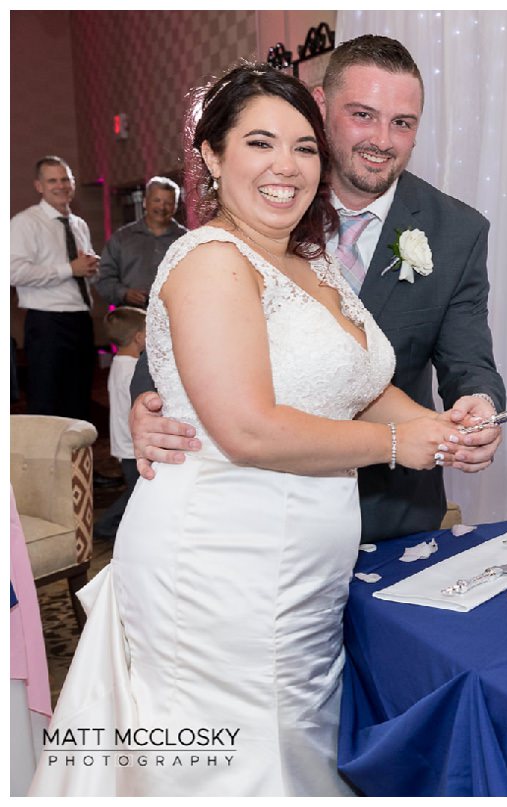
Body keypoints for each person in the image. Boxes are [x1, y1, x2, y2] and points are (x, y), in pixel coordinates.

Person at [29, 64, 478, 797]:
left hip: (301, 578)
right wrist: (401, 445)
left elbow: (359, 385)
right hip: (216, 565)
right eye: (261, 143)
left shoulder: (310, 260)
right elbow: (246, 427)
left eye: (304, 148)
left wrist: (441, 426)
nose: (286, 166)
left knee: (287, 752)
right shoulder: (209, 260)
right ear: (211, 154)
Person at [131, 35, 506, 542]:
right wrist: (152, 403)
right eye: (363, 115)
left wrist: (468, 414)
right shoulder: (238, 233)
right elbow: (176, 351)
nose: (382, 139)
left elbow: (461, 359)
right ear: (322, 105)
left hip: (388, 510)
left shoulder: (452, 231)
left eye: (402, 123)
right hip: (240, 525)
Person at [10, 156, 100, 420]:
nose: (60, 185)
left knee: (79, 399)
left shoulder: (79, 224)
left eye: (65, 179)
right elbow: (12, 273)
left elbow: (83, 272)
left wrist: (92, 269)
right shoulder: (25, 223)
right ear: (39, 186)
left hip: (81, 320)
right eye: (52, 180)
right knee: (47, 403)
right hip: (47, 323)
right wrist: (68, 269)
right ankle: (44, 462)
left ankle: (77, 461)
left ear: (72, 183)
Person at [93, 308, 146, 539]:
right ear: (139, 337)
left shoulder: (119, 363)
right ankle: (106, 527)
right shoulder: (133, 368)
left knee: (137, 490)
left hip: (123, 442)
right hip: (131, 444)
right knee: (137, 492)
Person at [95, 176, 187, 308]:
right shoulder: (121, 238)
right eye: (157, 200)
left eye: (169, 202)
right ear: (145, 202)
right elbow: (103, 278)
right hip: (131, 320)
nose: (162, 207)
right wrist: (124, 294)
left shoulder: (186, 241)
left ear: (175, 207)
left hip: (175, 319)